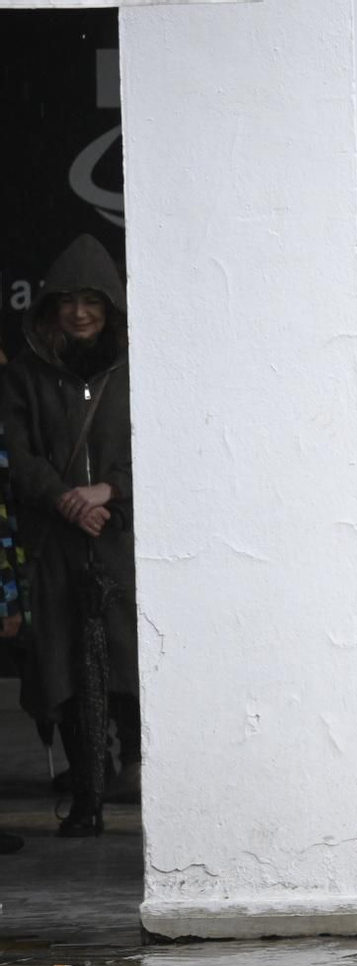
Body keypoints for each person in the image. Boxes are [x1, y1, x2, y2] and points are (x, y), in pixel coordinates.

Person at [1, 235, 137, 837]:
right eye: (68, 301)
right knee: (62, 664)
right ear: (51, 307)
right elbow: (19, 453)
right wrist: (65, 499)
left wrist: (106, 493)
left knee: (128, 662)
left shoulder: (134, 371)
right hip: (57, 544)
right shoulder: (27, 374)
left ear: (110, 308)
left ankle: (131, 769)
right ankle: (86, 794)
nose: (80, 312)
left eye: (93, 301)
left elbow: (156, 442)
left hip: (119, 538)